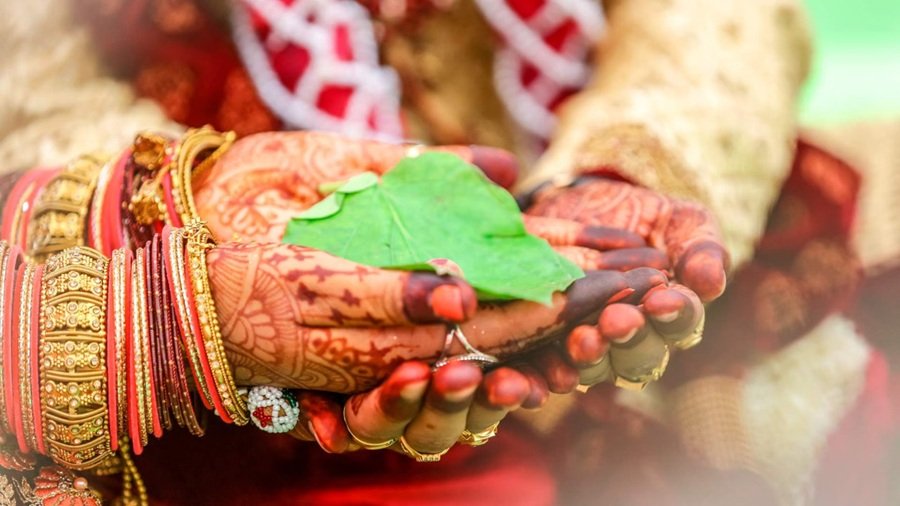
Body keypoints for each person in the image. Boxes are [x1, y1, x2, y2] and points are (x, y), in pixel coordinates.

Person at [0, 0, 891, 505]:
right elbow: (26, 79)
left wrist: (624, 168)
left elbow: (712, 21)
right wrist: (186, 219)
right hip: (200, 252)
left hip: (575, 164)